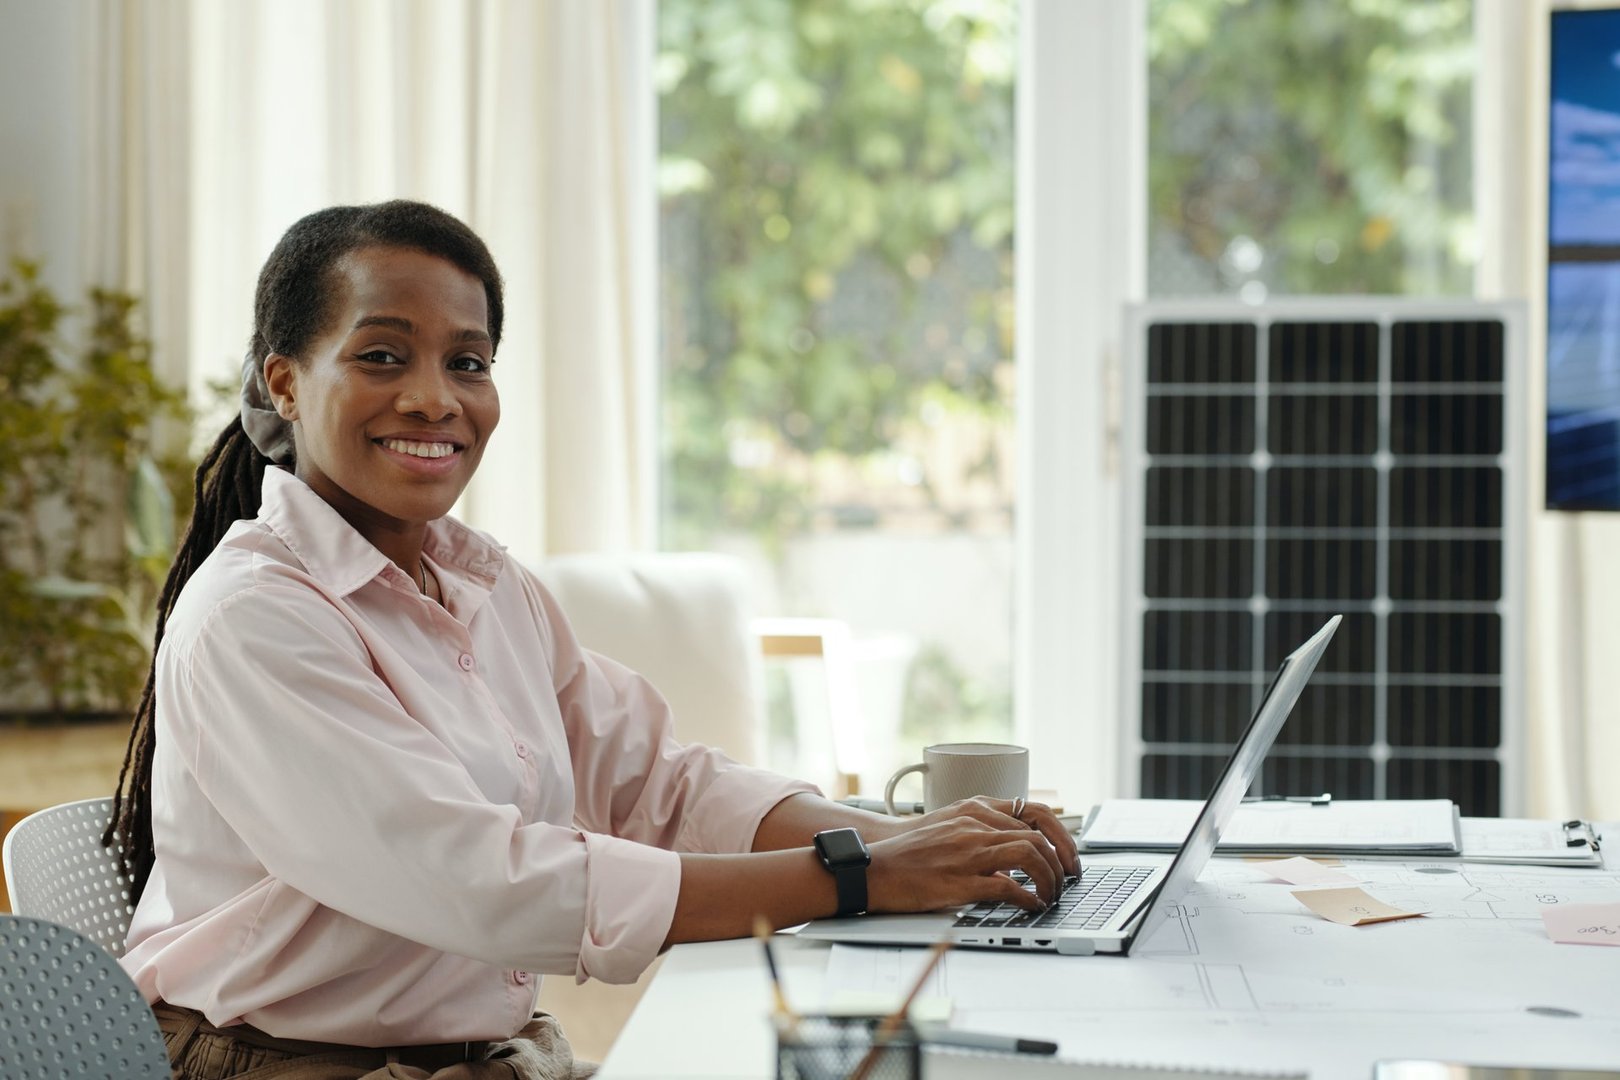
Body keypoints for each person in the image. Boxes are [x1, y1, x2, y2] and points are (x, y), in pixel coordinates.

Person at [105, 199, 1079, 1080]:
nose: (436, 399)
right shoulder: (254, 617)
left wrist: (917, 842)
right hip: (284, 1067)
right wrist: (862, 878)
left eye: (469, 362)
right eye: (382, 356)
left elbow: (660, 783)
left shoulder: (484, 585)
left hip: (483, 1056)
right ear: (283, 381)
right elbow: (480, 879)